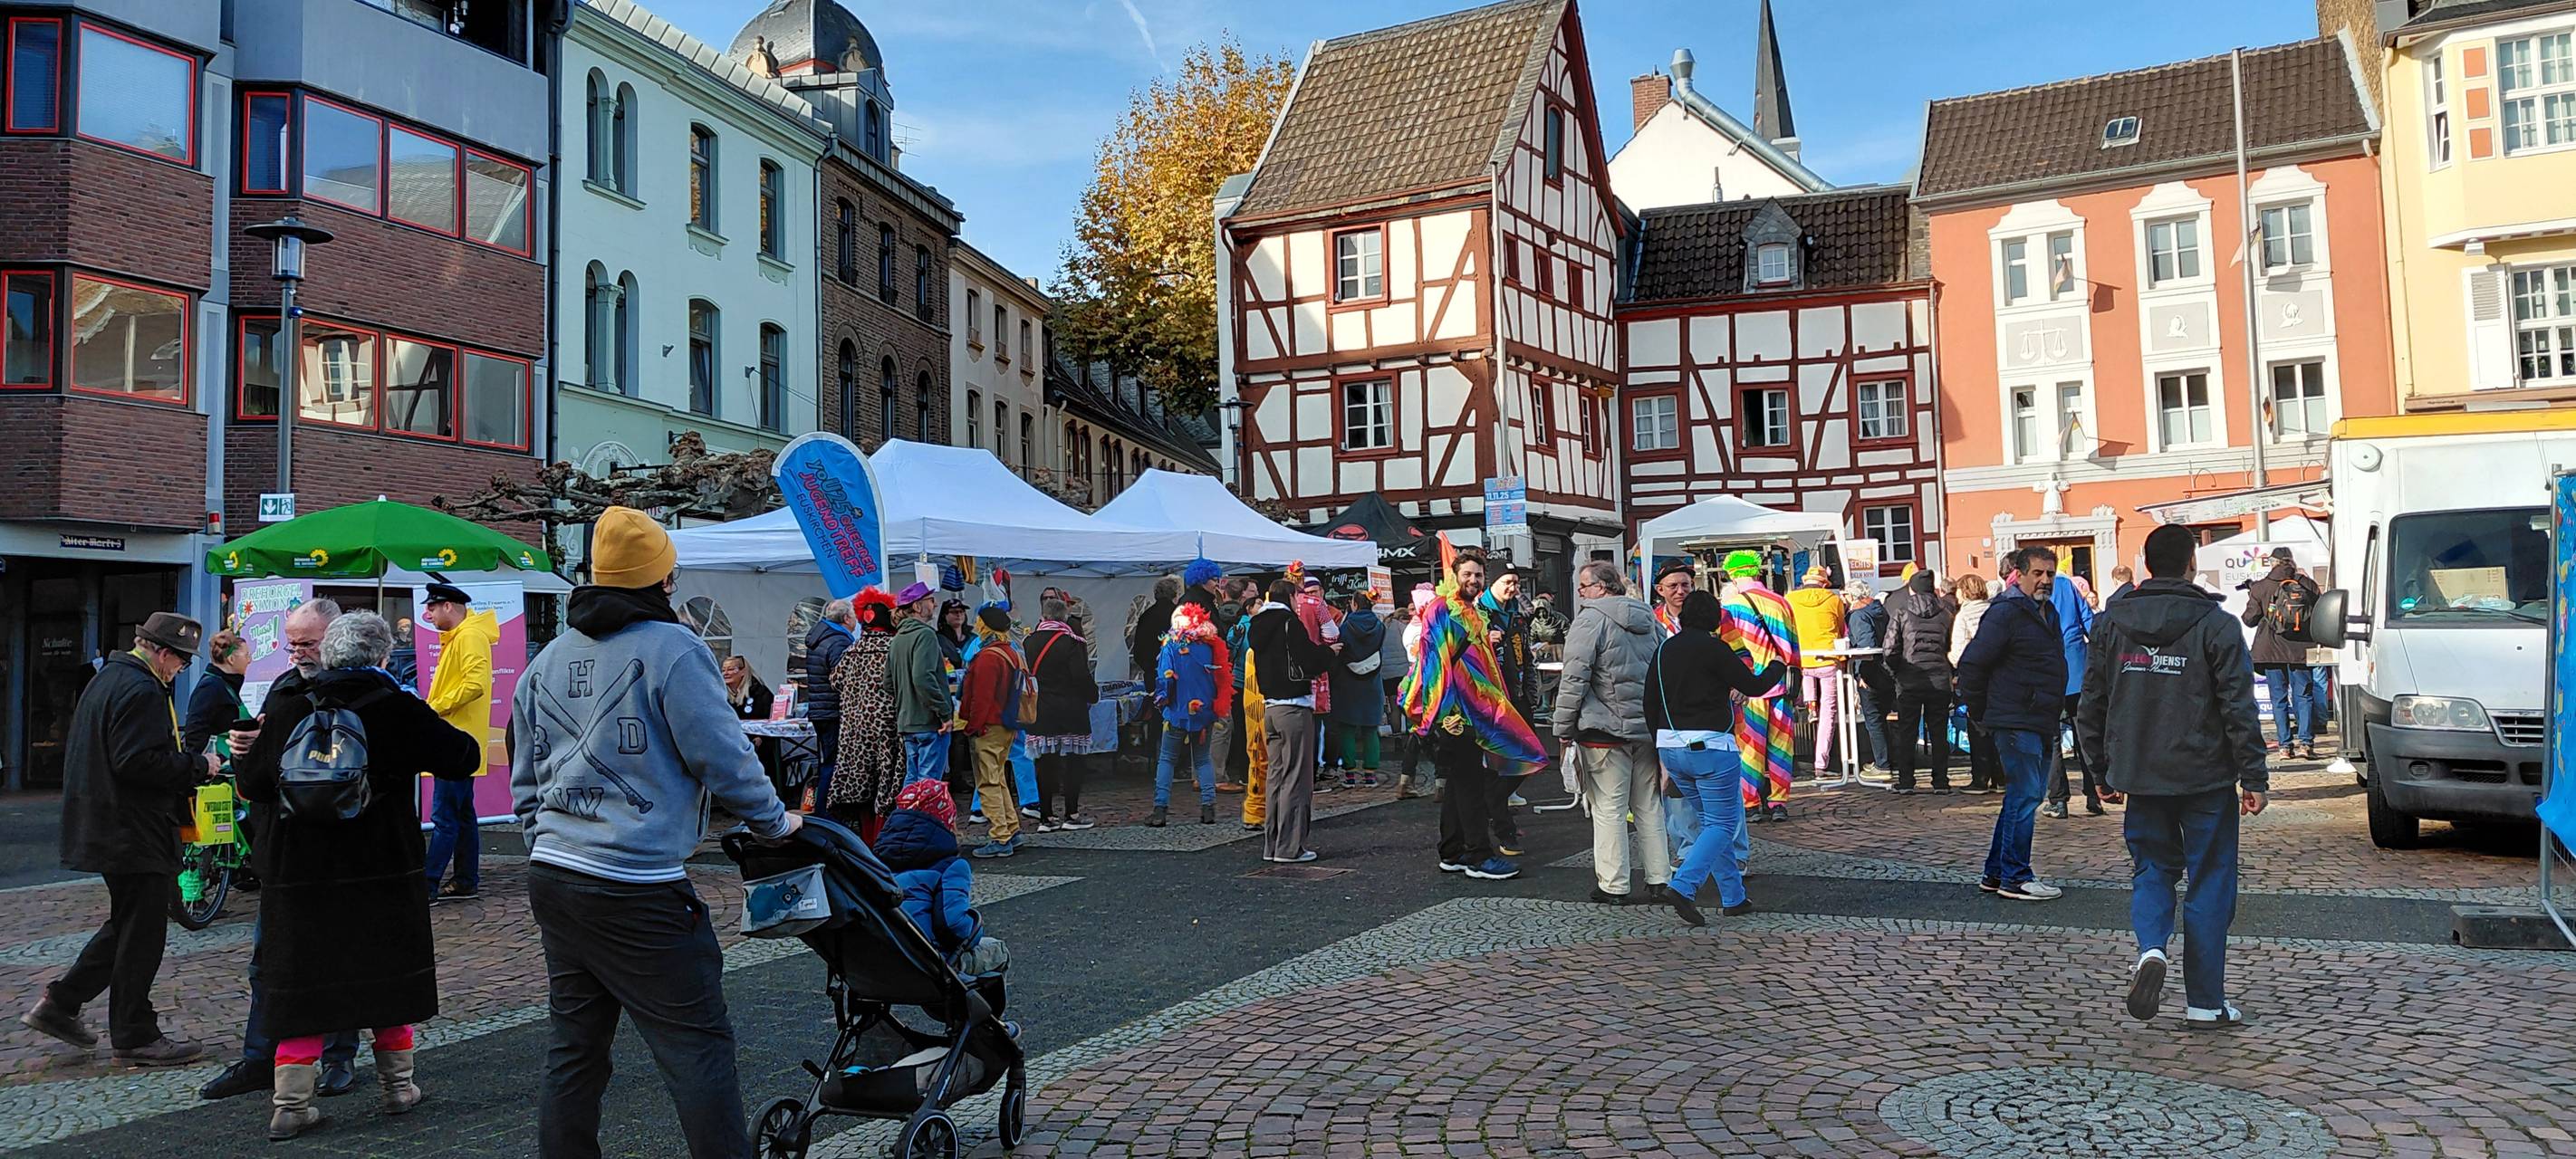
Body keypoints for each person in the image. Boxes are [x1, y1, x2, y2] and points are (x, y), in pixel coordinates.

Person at [513, 506, 799, 1158]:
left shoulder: (549, 657)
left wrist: (544, 839)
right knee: (696, 1045)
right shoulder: (676, 651)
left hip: (556, 874)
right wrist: (774, 821)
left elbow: (526, 773)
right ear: (663, 581)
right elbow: (723, 756)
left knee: (574, 1048)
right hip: (636, 883)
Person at [234, 611, 481, 1139]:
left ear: (329, 652)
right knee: (386, 972)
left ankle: (290, 1104)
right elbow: (464, 758)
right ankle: (398, 1088)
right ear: (383, 657)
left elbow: (254, 785)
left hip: (300, 870)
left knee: (303, 982)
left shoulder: (287, 702)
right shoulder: (396, 706)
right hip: (380, 867)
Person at [2080, 524, 2268, 1028]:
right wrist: (2254, 775)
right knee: (2210, 882)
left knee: (2152, 869)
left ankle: (2151, 950)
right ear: (2191, 565)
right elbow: (2238, 706)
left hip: (2140, 773)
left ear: (2145, 564)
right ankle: (2205, 1002)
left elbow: (2092, 701)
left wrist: (2098, 768)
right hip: (2204, 774)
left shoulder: (2110, 623)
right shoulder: (2217, 623)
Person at [24, 613, 218, 1068]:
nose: (181, 671)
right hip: (133, 830)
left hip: (114, 826)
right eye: (182, 662)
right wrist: (197, 766)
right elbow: (137, 763)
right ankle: (134, 1033)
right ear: (163, 653)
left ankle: (61, 1004)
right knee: (142, 935)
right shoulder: (142, 689)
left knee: (128, 926)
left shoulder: (111, 678)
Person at [198, 600, 362, 1102]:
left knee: (337, 957)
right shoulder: (284, 686)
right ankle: (260, 1056)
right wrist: (246, 750)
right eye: (291, 643)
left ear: (333, 638)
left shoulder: (358, 695)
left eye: (307, 643)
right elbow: (259, 779)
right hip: (282, 849)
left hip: (339, 854)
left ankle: (338, 1055)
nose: (297, 652)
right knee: (267, 959)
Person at [1402, 547, 1545, 879]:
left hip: (1473, 710)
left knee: (1457, 782)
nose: (1473, 580)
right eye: (1467, 574)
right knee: (1470, 784)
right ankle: (1478, 856)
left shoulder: (1472, 611)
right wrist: (1446, 714)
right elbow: (1436, 665)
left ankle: (1451, 851)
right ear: (1454, 575)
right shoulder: (1443, 611)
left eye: (1478, 575)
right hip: (1455, 713)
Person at [1648, 590, 1788, 924]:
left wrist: (1660, 747)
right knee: (1724, 823)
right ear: (1714, 619)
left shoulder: (1664, 648)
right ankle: (1683, 885)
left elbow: (1650, 700)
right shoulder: (1715, 648)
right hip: (1711, 747)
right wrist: (1777, 668)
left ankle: (1733, 896)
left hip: (1672, 746)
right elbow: (1752, 687)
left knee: (1713, 825)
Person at [1957, 545, 2070, 903]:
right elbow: (1972, 663)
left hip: (2039, 715)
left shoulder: (2046, 612)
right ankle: (2016, 876)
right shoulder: (2005, 613)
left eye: (2050, 574)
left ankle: (1997, 872)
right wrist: (1979, 711)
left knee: (2022, 797)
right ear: (2018, 575)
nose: (2045, 580)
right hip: (2016, 716)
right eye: (2037, 573)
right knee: (2026, 795)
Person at [1552, 560, 1665, 905]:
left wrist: (1563, 728)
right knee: (1649, 806)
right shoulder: (1649, 618)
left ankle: (1614, 884)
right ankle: (1660, 878)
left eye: (1584, 586)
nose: (1581, 593)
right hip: (1646, 728)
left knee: (1609, 809)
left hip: (1603, 728)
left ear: (1601, 588)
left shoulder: (1589, 620)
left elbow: (1574, 678)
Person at [873, 781, 1012, 976]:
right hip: (927, 962)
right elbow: (954, 927)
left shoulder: (876, 861)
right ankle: (970, 1006)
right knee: (997, 950)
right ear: (948, 822)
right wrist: (975, 928)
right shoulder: (951, 866)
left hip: (880, 959)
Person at [1249, 577, 1341, 863]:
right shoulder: (1289, 623)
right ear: (1290, 597)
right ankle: (1291, 848)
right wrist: (1329, 652)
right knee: (1297, 779)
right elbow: (1309, 660)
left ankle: (1273, 845)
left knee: (1276, 777)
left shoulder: (1257, 624)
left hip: (1270, 708)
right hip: (1294, 707)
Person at [419, 582, 497, 902]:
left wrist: (434, 708)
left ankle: (428, 884)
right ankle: (465, 879)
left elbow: (475, 685)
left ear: (448, 606)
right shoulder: (464, 636)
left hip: (454, 742)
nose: (429, 614)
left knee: (445, 817)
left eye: (433, 608)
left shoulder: (467, 636)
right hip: (460, 740)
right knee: (462, 815)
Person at [1716, 551, 1797, 822]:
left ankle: (1750, 804)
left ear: (1732, 576)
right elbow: (1794, 649)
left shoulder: (1732, 607)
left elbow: (1729, 650)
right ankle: (1778, 803)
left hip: (1748, 687)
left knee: (1750, 747)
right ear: (1758, 573)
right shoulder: (1782, 604)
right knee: (1782, 747)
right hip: (1781, 685)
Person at [826, 589, 905, 841]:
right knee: (887, 785)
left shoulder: (852, 650)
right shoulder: (894, 649)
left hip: (855, 733)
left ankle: (866, 841)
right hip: (887, 729)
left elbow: (835, 681)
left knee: (862, 789)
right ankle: (882, 840)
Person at [1147, 602, 1234, 827]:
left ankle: (1160, 809)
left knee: (1167, 759)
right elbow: (1222, 678)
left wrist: (1161, 701)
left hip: (1177, 711)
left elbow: (1165, 680)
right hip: (1204, 711)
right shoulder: (1211, 646)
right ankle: (1208, 808)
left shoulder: (1171, 646)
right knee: (1203, 759)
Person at [1023, 598, 1100, 831]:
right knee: (1074, 763)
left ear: (1044, 616)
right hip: (1070, 708)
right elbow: (1080, 675)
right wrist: (1093, 694)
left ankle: (1046, 816)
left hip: (1042, 708)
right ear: (1065, 617)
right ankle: (1071, 813)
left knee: (1045, 764)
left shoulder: (1029, 642)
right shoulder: (1072, 642)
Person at [958, 605, 1029, 857]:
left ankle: (1000, 836)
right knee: (998, 778)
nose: (975, 625)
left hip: (990, 725)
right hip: (1006, 723)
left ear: (986, 625)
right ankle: (1011, 828)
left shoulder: (989, 657)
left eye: (978, 621)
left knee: (988, 781)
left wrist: (972, 726)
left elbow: (982, 697)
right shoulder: (1010, 652)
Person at [1881, 569, 1956, 794]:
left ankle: (1906, 781)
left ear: (1912, 588)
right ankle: (1941, 781)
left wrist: (1896, 671)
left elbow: (1890, 648)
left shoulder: (1902, 611)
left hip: (1910, 678)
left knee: (1907, 730)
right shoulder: (1947, 612)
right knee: (1939, 731)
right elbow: (1952, 646)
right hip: (1939, 677)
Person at [2243, 547, 2321, 761]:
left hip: (2271, 650)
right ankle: (2306, 744)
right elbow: (2318, 615)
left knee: (2278, 699)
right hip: (2301, 650)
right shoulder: (2307, 585)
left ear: (2273, 563)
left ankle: (2285, 747)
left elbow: (2249, 620)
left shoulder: (2260, 587)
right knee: (2303, 696)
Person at [1481, 566, 1537, 843]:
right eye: (1507, 582)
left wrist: (1531, 693)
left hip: (1517, 695)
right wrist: (1483, 641)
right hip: (1490, 698)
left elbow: (1525, 655)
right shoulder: (1479, 613)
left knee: (1528, 757)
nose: (1513, 588)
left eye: (1515, 582)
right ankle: (1503, 826)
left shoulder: (1517, 613)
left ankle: (1493, 808)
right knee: (1499, 764)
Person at [2044, 560, 2103, 818]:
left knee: (2052, 739)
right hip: (2077, 668)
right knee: (2085, 736)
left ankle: (2058, 800)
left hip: (2048, 670)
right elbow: (2089, 622)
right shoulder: (2067, 586)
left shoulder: (2031, 588)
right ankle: (2095, 795)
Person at [888, 582, 954, 787]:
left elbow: (888, 683)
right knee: (929, 783)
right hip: (929, 722)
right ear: (917, 607)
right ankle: (923, 818)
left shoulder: (897, 639)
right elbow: (922, 677)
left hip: (907, 722)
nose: (934, 605)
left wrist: (907, 700)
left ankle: (908, 818)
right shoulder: (925, 635)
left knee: (912, 779)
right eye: (930, 600)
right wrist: (944, 713)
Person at [1786, 566, 1848, 778]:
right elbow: (1840, 628)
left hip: (1802, 658)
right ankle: (1821, 762)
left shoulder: (1791, 599)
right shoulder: (1833, 599)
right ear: (1824, 584)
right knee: (1829, 713)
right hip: (1828, 658)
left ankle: (1811, 704)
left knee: (1803, 688)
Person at [800, 597, 858, 813]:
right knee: (834, 763)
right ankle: (826, 811)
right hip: (835, 710)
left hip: (820, 709)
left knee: (828, 760)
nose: (856, 621)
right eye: (853, 616)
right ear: (846, 618)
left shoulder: (819, 638)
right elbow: (843, 678)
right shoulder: (839, 641)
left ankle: (825, 809)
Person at [1948, 574, 2004, 793]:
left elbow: (1958, 651)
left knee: (1977, 725)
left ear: (1964, 591)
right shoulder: (1993, 611)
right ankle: (2001, 778)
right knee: (1997, 725)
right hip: (1998, 675)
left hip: (1975, 675)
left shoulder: (1964, 615)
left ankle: (1981, 778)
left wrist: (1953, 662)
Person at [1327, 593, 1386, 790]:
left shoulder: (1345, 627)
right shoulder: (1380, 626)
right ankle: (1370, 775)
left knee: (1347, 729)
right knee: (1371, 729)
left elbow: (1338, 654)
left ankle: (1350, 774)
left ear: (1353, 604)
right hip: (1372, 683)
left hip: (1347, 682)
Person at [1842, 582, 1894, 773]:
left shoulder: (1858, 616)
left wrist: (1862, 673)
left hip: (1872, 673)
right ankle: (1886, 760)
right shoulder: (1880, 610)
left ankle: (1882, 764)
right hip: (1888, 670)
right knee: (1881, 718)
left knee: (1873, 719)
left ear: (1852, 597)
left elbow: (1866, 647)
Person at [1129, 576, 1181, 759]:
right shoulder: (1177, 616)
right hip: (1175, 675)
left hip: (1153, 674)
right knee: (1176, 717)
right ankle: (1175, 760)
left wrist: (1149, 667)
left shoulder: (1146, 616)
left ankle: (1154, 754)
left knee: (1156, 716)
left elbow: (1138, 651)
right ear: (1175, 593)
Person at [181, 629, 253, 760]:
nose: (250, 660)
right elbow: (195, 733)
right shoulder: (210, 687)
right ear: (231, 659)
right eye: (247, 655)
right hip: (218, 772)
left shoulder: (227, 685)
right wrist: (204, 766)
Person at [722, 655, 783, 803]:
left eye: (731, 669)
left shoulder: (759, 691)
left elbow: (769, 718)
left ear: (743, 672)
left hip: (756, 742)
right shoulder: (720, 693)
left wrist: (759, 737)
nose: (726, 673)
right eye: (724, 670)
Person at [1379, 602, 1420, 797]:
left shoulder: (1384, 627)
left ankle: (1397, 737)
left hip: (1387, 672)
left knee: (1394, 706)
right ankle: (1412, 732)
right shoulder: (1406, 629)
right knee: (1408, 705)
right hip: (1404, 672)